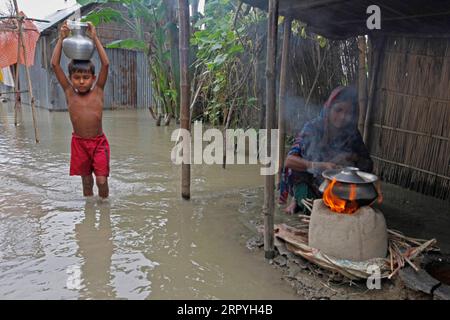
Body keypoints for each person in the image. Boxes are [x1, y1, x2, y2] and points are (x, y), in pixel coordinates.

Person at [280, 86, 373, 214]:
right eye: (338, 110)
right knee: (312, 208)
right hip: (310, 182)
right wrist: (319, 166)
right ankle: (297, 197)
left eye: (348, 113)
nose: (342, 117)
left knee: (353, 205)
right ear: (328, 108)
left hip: (337, 186)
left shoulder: (352, 133)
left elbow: (367, 164)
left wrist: (350, 157)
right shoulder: (312, 128)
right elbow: (289, 161)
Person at [51, 21, 110, 199]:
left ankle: (104, 207)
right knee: (86, 181)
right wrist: (61, 39)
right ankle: (89, 213)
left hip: (98, 143)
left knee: (101, 180)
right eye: (77, 78)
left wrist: (95, 38)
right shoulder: (70, 93)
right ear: (71, 78)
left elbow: (105, 65)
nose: (81, 81)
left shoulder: (98, 91)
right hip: (79, 143)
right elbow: (55, 65)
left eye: (85, 77)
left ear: (93, 78)